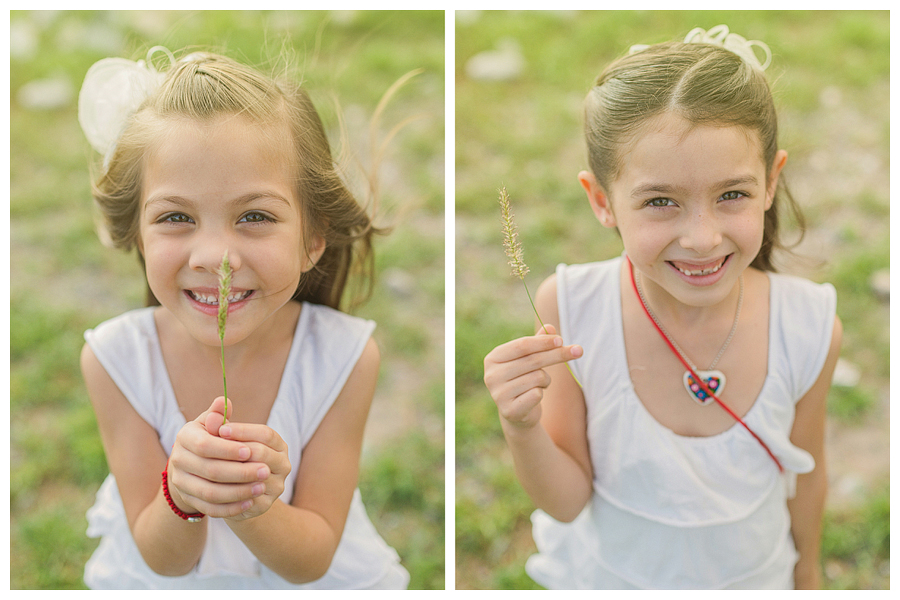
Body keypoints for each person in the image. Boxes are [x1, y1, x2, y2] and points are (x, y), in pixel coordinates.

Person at [483, 26, 841, 590]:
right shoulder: (572, 308)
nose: (701, 237)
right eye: (660, 202)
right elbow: (568, 501)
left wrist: (810, 574)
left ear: (771, 182)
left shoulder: (808, 326)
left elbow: (809, 472)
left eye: (732, 195)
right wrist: (521, 426)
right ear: (602, 201)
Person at [78, 47, 409, 589]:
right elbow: (164, 559)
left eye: (254, 216)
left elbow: (311, 559)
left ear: (313, 238)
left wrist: (249, 502)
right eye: (176, 216)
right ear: (137, 233)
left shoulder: (343, 356)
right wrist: (181, 494)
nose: (216, 256)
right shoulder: (115, 361)